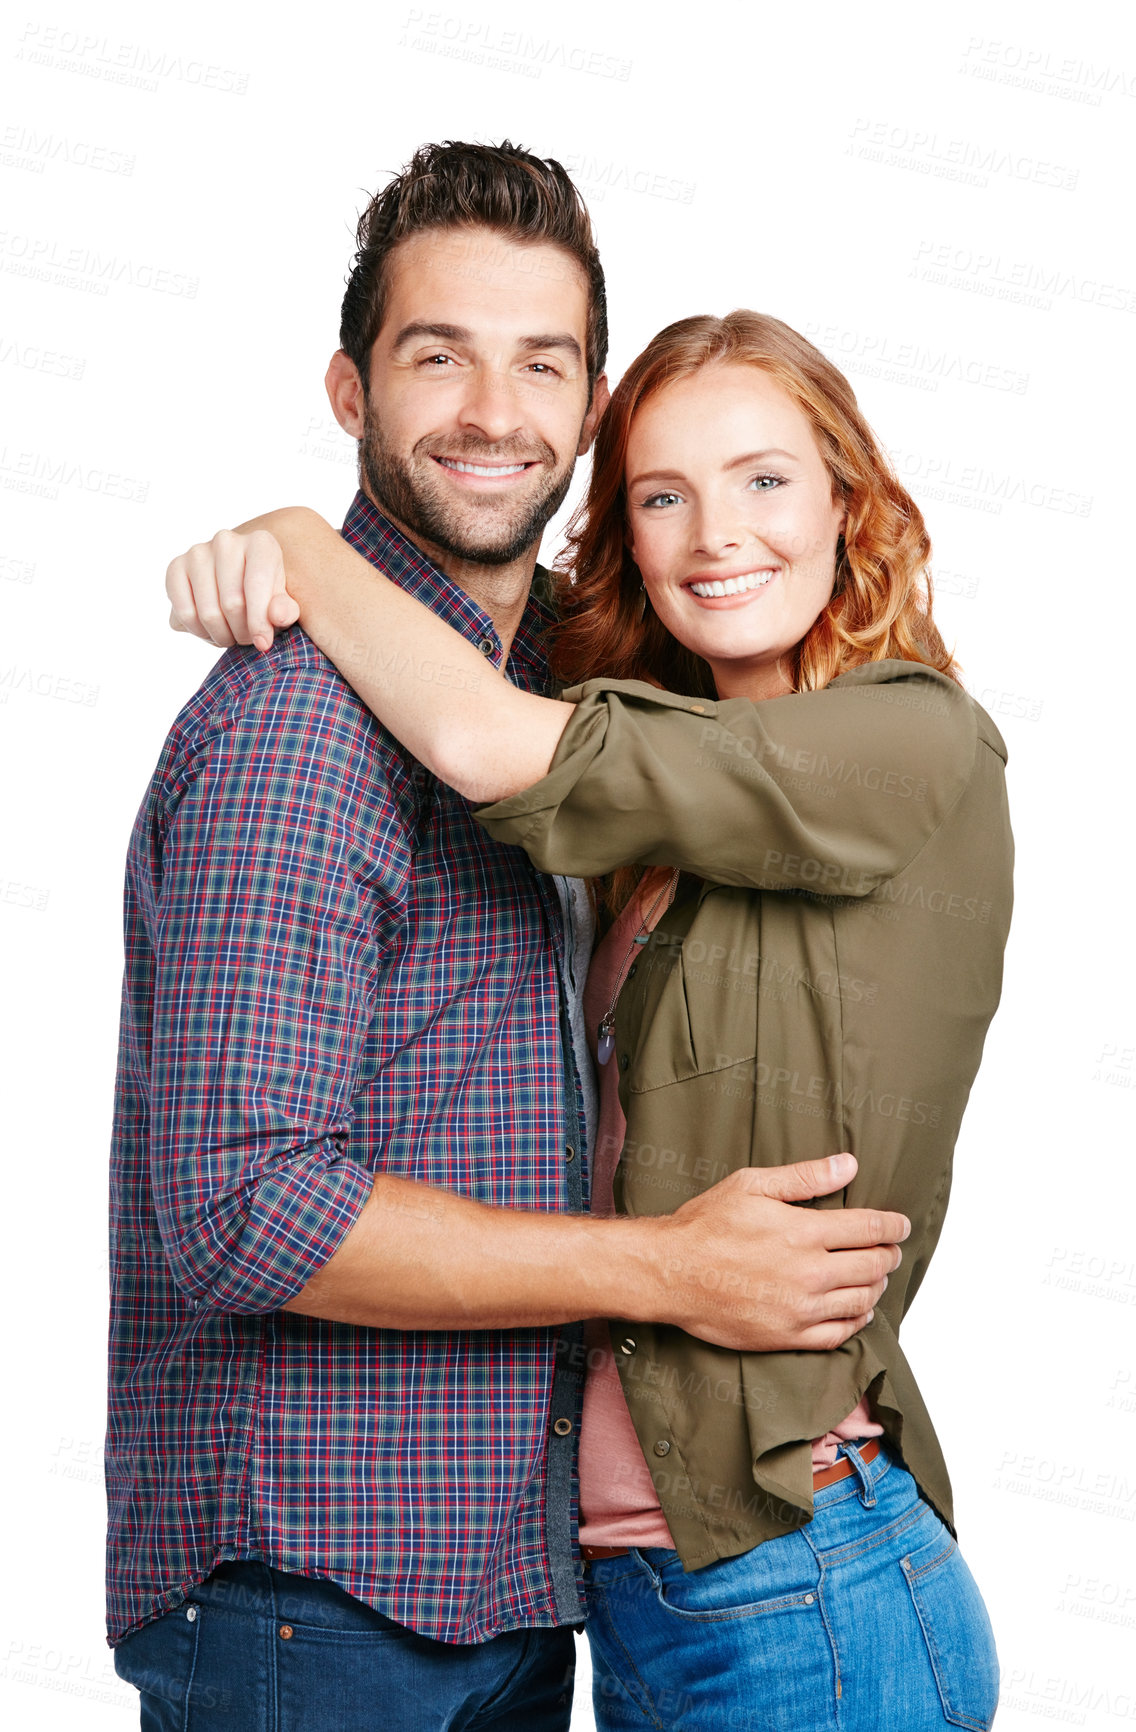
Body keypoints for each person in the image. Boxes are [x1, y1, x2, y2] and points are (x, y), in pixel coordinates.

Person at [109, 142, 908, 1732]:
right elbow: (243, 1210)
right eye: (436, 355)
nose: (493, 411)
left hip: (509, 1582)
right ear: (349, 390)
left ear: (591, 401)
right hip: (315, 1603)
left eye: (540, 362)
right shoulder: (296, 731)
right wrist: (671, 1271)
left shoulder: (566, 673)